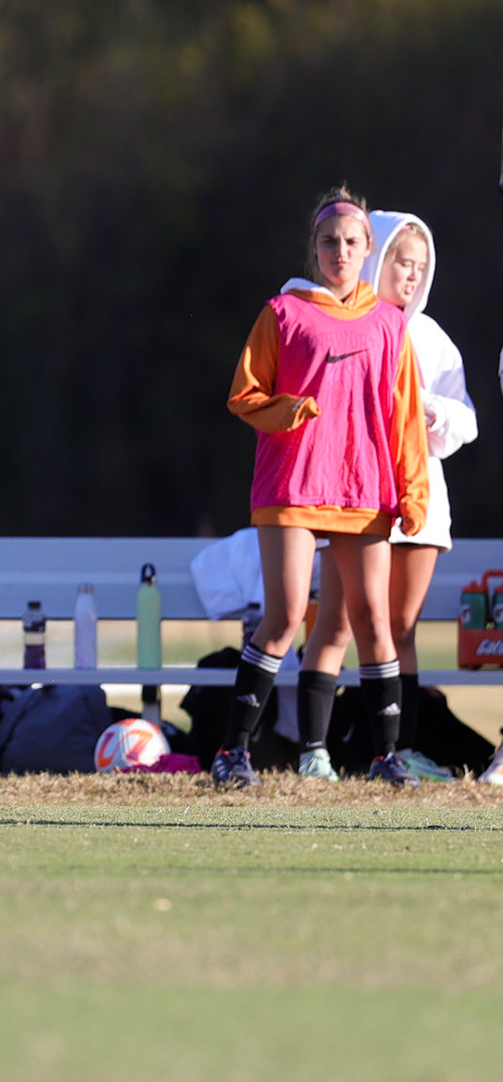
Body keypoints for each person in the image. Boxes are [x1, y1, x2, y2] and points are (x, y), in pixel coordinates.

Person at [215, 186, 428, 789]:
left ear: (368, 250)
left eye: (351, 242)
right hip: (292, 486)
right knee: (283, 618)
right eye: (329, 241)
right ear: (314, 249)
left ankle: (387, 758)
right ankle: (233, 753)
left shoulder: (389, 325)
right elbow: (244, 395)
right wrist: (284, 411)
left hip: (364, 490)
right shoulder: (283, 314)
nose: (340, 251)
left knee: (372, 620)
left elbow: (405, 418)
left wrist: (413, 493)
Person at [299, 213, 474, 782]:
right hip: (357, 496)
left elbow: (463, 421)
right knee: (341, 622)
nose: (412, 274)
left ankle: (400, 751)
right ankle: (314, 751)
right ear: (378, 258)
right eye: (403, 261)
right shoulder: (342, 319)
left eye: (421, 267)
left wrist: (432, 410)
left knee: (399, 625)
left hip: (420, 498)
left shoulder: (432, 338)